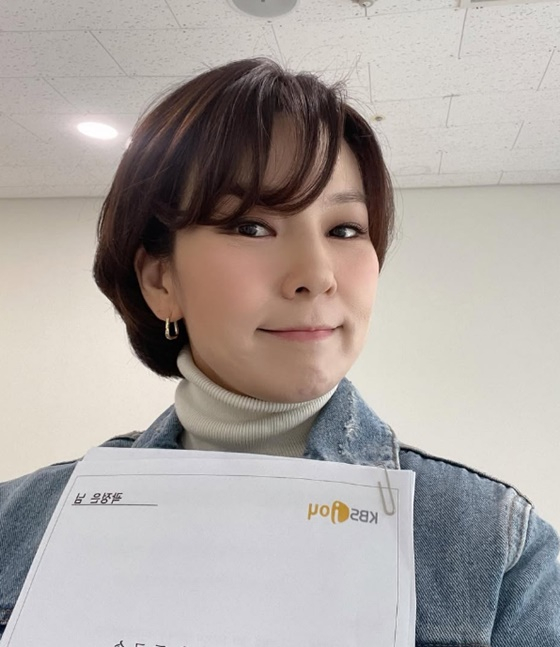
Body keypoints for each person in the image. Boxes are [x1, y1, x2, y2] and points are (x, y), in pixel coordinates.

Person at [1, 57, 559, 644]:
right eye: (252, 227)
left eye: (345, 229)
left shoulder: (492, 544)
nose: (316, 275)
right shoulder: (18, 524)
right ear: (161, 280)